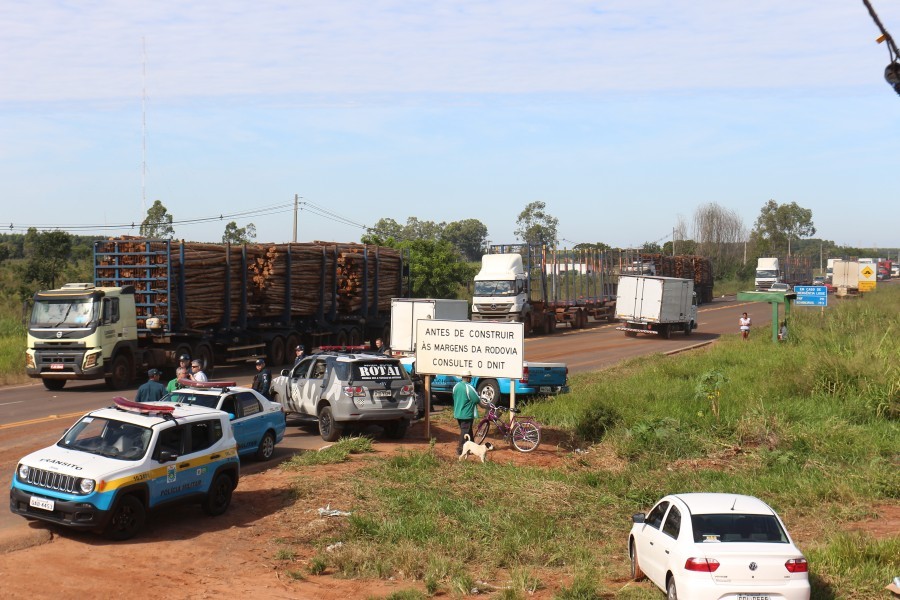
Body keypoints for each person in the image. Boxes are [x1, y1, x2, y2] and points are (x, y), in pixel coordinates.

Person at [452, 371, 481, 456]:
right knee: (465, 431)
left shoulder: (456, 386)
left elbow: (454, 397)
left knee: (468, 430)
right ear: (468, 378)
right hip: (467, 414)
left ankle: (472, 448)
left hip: (458, 413)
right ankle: (460, 449)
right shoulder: (468, 387)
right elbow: (476, 400)